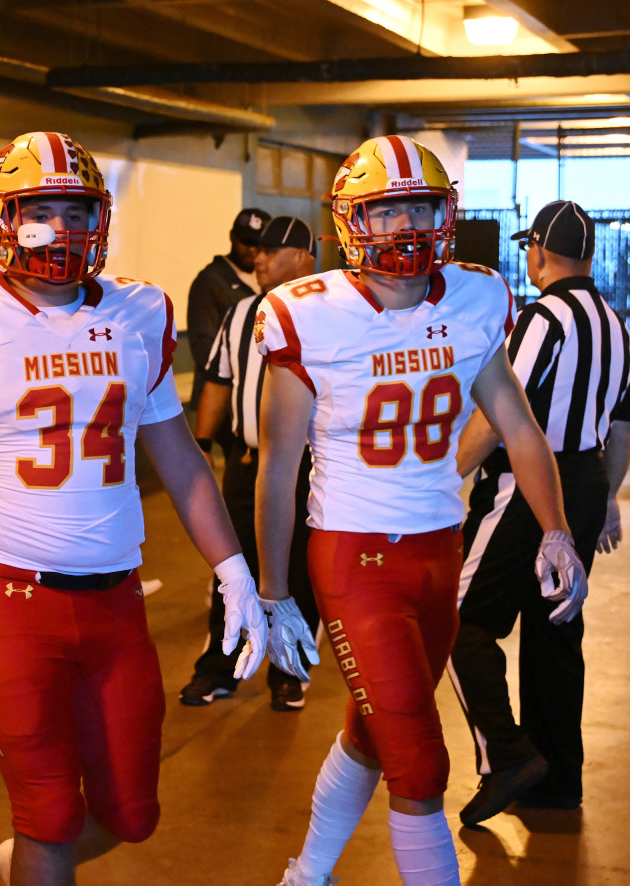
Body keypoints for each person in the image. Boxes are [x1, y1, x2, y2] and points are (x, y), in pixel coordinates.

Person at [0, 131, 281, 886]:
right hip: (6, 593)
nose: (61, 229)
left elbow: (180, 459)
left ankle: (20, 866)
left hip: (115, 596)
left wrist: (235, 573)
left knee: (131, 815)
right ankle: (36, 859)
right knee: (50, 818)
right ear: (0, 220)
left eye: (76, 210)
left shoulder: (138, 310)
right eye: (40, 211)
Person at [255, 135, 585, 886]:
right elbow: (278, 467)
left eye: (420, 205)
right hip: (354, 557)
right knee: (420, 760)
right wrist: (272, 591)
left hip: (440, 549)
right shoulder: (310, 313)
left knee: (373, 736)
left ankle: (306, 876)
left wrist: (557, 527)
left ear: (446, 211)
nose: (405, 224)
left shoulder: (473, 295)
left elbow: (519, 423)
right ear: (351, 221)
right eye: (387, 208)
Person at [450, 200, 630, 825]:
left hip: (528, 485)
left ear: (539, 253)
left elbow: (507, 413)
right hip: (582, 479)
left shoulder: (542, 317)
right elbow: (624, 423)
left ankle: (506, 754)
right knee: (556, 628)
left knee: (458, 622)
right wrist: (607, 495)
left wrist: (444, 479)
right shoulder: (615, 323)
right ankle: (556, 778)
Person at [181, 216, 322, 710]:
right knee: (232, 564)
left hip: (309, 467)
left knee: (300, 568)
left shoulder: (329, 313)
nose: (259, 259)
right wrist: (201, 441)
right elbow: (219, 379)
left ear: (304, 257)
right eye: (257, 251)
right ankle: (219, 666)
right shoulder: (240, 313)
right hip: (248, 463)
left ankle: (289, 672)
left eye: (272, 250)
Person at [187, 207, 269, 410]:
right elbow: (204, 348)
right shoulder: (209, 281)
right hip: (220, 401)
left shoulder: (268, 279)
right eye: (247, 242)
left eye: (261, 244)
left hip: (254, 396)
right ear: (232, 237)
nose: (253, 250)